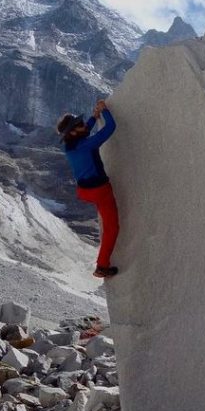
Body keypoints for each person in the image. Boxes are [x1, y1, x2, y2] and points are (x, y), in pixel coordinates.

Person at [57, 99, 120, 278]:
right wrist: (105, 111)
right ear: (74, 131)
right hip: (100, 191)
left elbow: (84, 133)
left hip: (85, 191)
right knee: (112, 228)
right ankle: (102, 266)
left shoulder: (71, 147)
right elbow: (110, 128)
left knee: (106, 217)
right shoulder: (85, 145)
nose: (83, 125)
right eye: (79, 124)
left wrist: (94, 117)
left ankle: (102, 263)